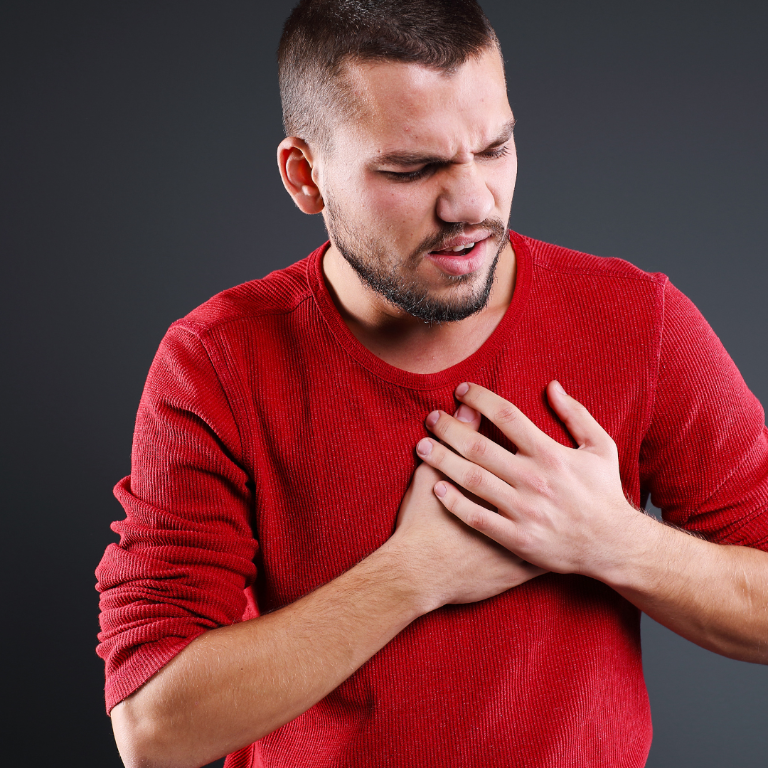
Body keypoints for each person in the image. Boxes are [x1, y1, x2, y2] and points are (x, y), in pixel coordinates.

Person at [96, 1, 768, 766]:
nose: (473, 203)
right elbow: (153, 730)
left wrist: (611, 541)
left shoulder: (638, 322)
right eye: (412, 169)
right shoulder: (217, 361)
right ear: (306, 176)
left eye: (495, 148)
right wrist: (412, 573)